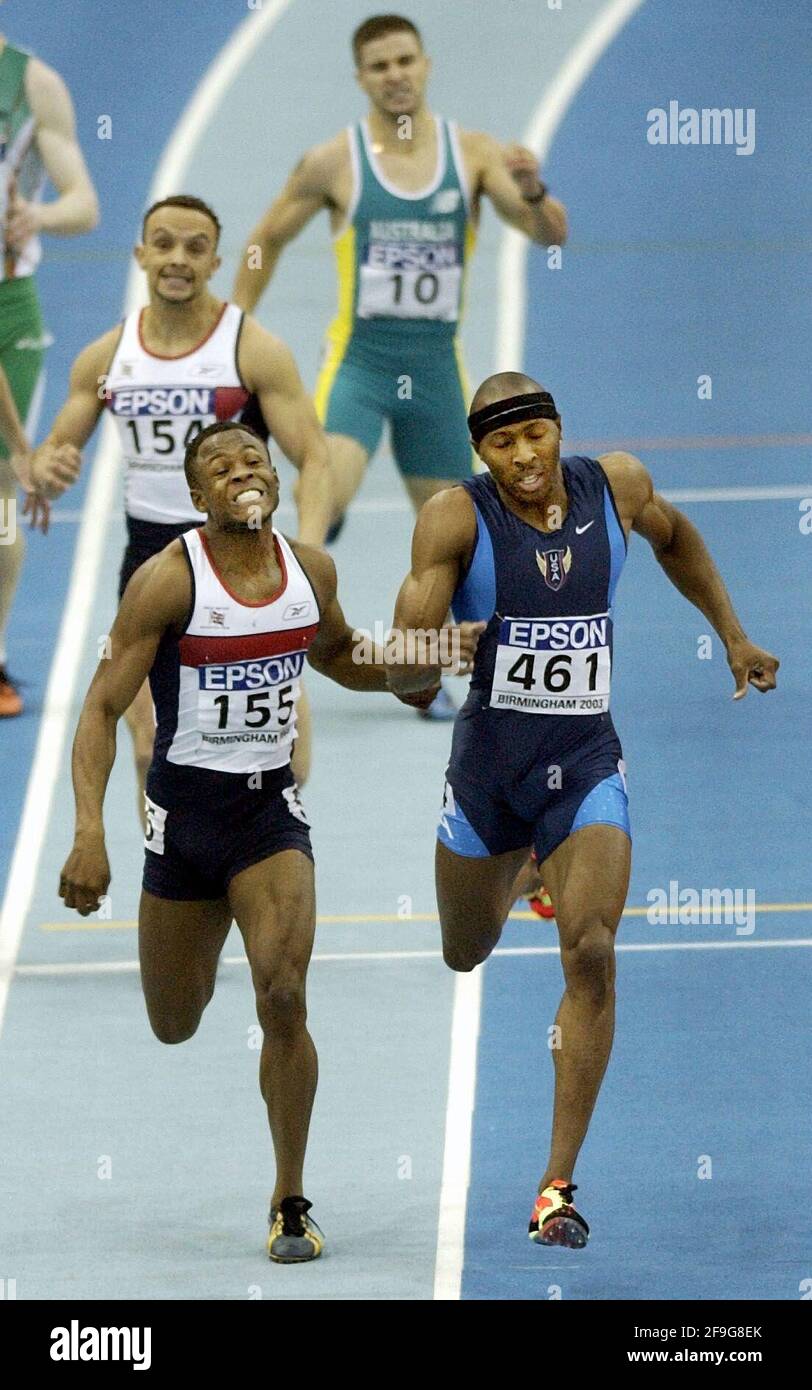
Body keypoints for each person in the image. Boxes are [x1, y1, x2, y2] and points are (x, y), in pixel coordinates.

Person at [57, 418, 481, 1262]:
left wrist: (423, 654)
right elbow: (102, 708)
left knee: (283, 996)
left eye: (254, 458)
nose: (242, 470)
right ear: (198, 496)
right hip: (183, 827)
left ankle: (290, 1198)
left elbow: (343, 655)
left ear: (276, 480)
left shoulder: (309, 572)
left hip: (268, 821)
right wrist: (87, 836)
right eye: (220, 465)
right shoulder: (166, 583)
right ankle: (195, 963)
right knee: (174, 1023)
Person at [387, 372, 779, 1246]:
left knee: (593, 947)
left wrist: (733, 633)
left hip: (585, 759)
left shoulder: (621, 486)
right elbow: (405, 681)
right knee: (464, 951)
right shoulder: (454, 519)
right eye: (502, 444)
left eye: (536, 435)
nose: (524, 457)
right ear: (481, 453)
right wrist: (430, 653)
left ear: (559, 428)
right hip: (489, 774)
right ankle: (523, 864)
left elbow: (677, 542)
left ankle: (555, 1186)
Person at [232, 12, 567, 720]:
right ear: (361, 78)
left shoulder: (472, 155)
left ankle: (433, 671)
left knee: (454, 541)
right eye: (379, 66)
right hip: (360, 364)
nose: (395, 75)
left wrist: (534, 190)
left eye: (405, 61)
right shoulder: (334, 162)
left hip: (437, 375)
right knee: (321, 512)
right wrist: (232, 334)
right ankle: (286, 651)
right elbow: (264, 240)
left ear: (426, 65)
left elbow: (547, 233)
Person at [32, 195, 330, 819]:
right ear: (140, 254)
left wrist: (309, 548)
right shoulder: (108, 358)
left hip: (246, 560)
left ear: (216, 261)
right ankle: (172, 871)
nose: (177, 259)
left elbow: (315, 457)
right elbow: (54, 454)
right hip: (153, 566)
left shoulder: (251, 350)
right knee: (151, 742)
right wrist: (46, 469)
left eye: (195, 248)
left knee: (279, 746)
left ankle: (275, 836)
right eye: (163, 243)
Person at [0, 30, 98, 715]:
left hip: (9, 304)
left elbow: (84, 205)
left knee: (1, 488)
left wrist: (37, 214)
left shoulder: (32, 84)